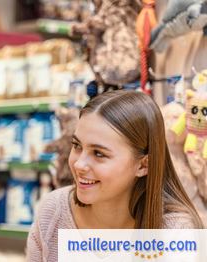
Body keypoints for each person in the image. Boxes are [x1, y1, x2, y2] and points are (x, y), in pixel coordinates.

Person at [26, 90, 204, 262]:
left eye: (99, 153)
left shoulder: (176, 233)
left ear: (143, 165)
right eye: (77, 145)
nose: (79, 164)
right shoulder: (53, 210)